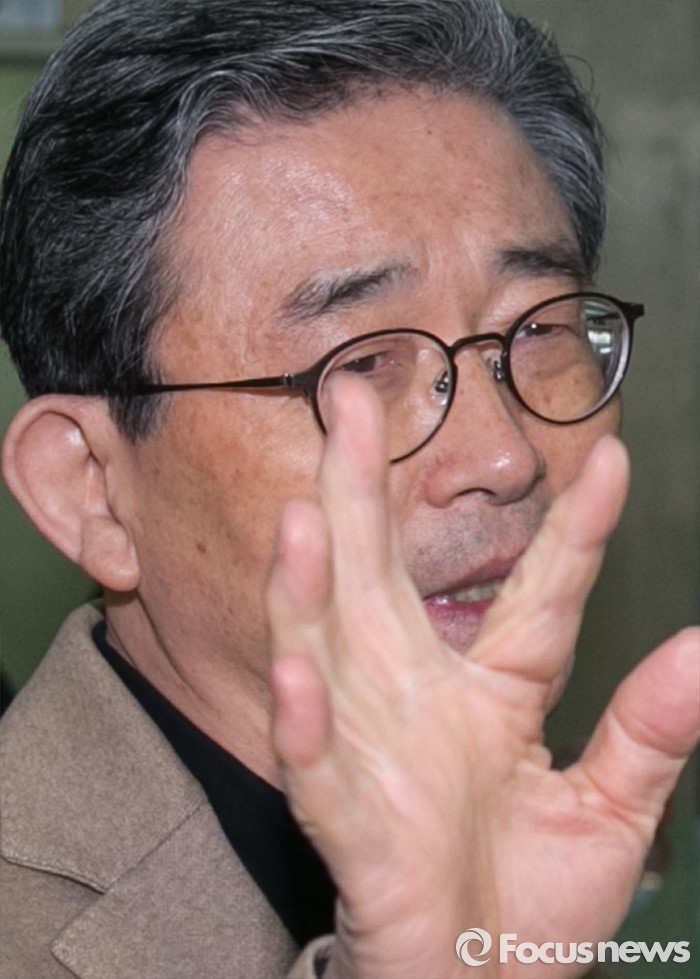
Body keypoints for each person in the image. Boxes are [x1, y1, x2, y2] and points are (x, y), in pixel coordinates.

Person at [0, 1, 697, 977]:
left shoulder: (585, 835)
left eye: (538, 328)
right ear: (90, 489)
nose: (505, 456)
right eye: (362, 362)